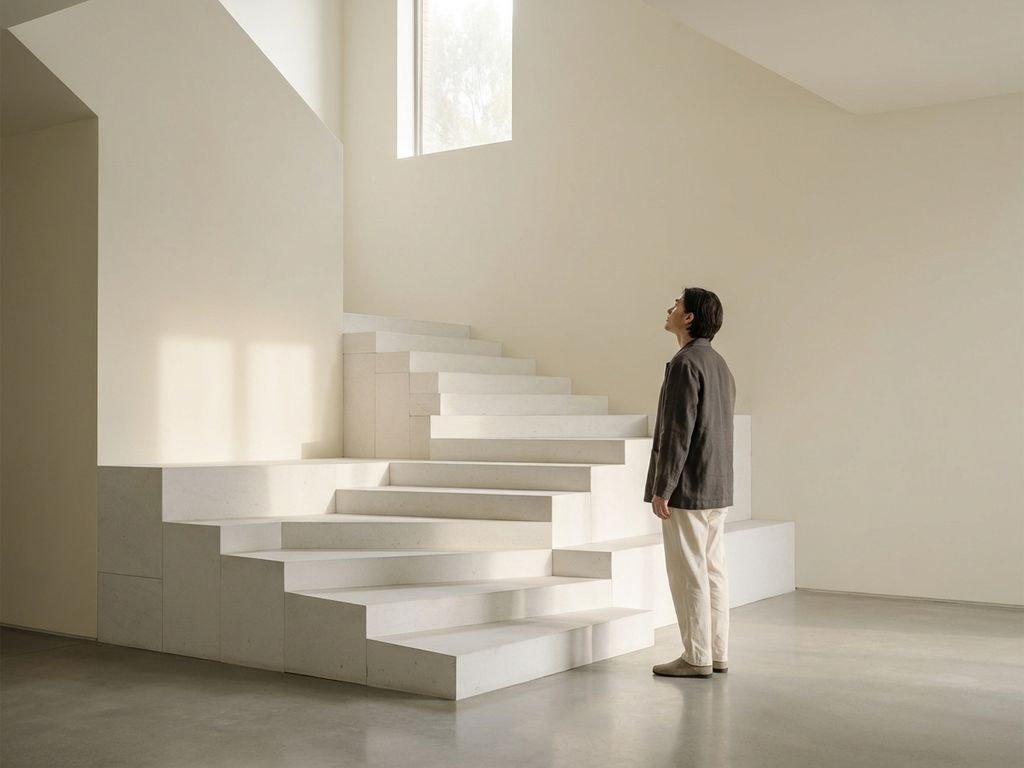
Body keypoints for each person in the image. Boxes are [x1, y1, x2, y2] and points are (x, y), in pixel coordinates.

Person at [645, 287, 735, 679]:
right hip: (717, 486)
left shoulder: (685, 364)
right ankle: (716, 654)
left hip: (689, 487)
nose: (669, 309)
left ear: (689, 318)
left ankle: (695, 657)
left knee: (689, 574)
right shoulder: (719, 364)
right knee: (713, 571)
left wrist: (663, 487)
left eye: (677, 305)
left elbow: (678, 433)